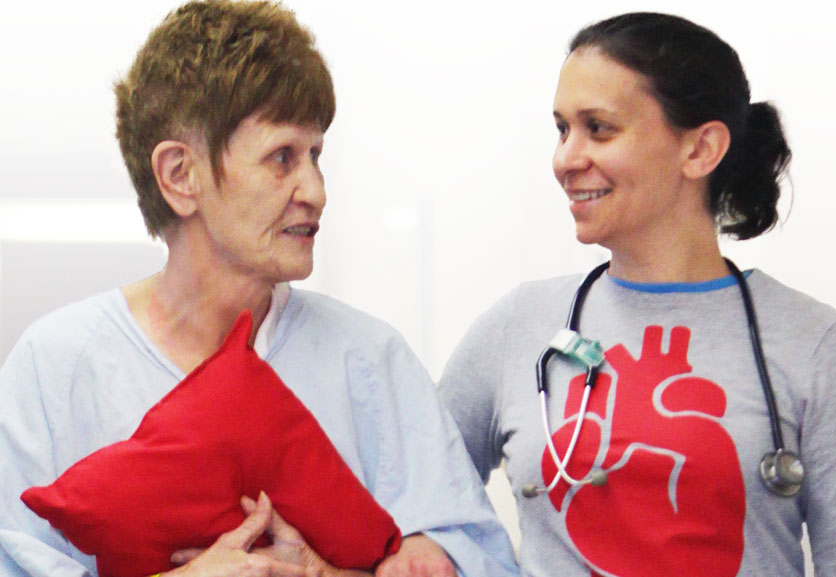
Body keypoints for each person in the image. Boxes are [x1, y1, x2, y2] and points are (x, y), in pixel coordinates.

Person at [0, 1, 518, 576]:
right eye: (282, 158)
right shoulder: (54, 369)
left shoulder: (371, 361)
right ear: (179, 175)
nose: (316, 191)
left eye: (317, 155)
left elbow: (483, 560)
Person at [438, 12, 836, 577]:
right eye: (562, 129)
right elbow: (420, 508)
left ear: (700, 150)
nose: (565, 159)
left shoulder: (811, 341)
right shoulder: (517, 326)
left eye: (598, 128)